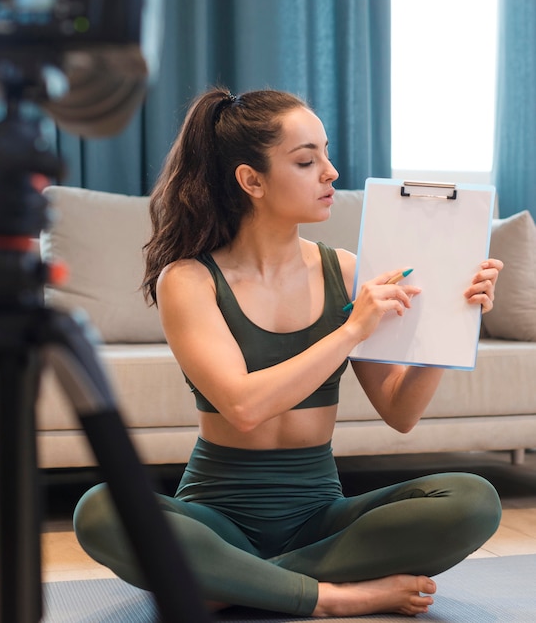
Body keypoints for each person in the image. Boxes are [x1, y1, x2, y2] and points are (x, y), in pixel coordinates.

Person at [73, 87, 504, 618]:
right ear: (251, 180)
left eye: (325, 153)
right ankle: (329, 596)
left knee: (473, 499)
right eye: (307, 160)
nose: (331, 172)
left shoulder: (344, 270)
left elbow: (400, 411)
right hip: (215, 516)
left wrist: (453, 324)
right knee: (99, 509)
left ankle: (227, 582)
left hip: (321, 517)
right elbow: (243, 406)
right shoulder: (187, 279)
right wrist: (350, 330)